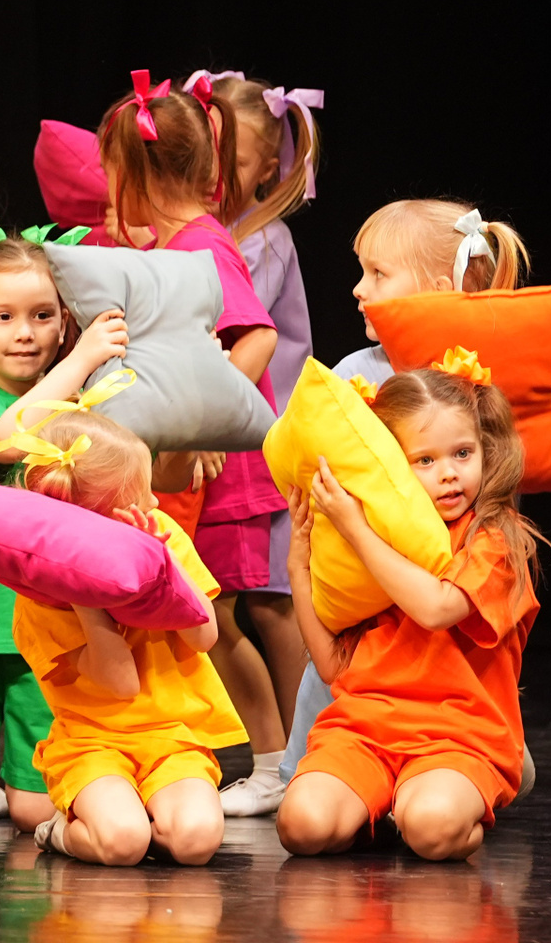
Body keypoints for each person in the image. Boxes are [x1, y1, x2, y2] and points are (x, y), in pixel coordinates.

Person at [281, 199, 551, 787]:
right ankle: (310, 768)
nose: (359, 289)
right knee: (344, 666)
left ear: (439, 290)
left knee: (461, 675)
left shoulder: (490, 374)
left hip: (460, 585)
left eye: (379, 274)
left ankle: (484, 753)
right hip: (376, 585)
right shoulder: (357, 376)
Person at [96, 70, 288, 808]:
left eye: (111, 172)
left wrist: (206, 416)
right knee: (202, 613)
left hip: (227, 472)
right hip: (200, 466)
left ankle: (271, 764)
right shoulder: (177, 242)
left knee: (222, 617)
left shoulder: (202, 244)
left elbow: (257, 336)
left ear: (135, 173)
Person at [277, 356, 547, 861]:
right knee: (302, 826)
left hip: (457, 735)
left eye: (462, 453)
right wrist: (298, 569)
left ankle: (444, 807)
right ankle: (385, 809)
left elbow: (437, 608)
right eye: (424, 460)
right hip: (367, 728)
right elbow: (333, 667)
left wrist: (355, 529)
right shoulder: (376, 541)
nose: (448, 474)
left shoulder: (493, 538)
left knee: (431, 828)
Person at [0, 225, 128, 832]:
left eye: (42, 315)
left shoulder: (85, 406)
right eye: (4, 316)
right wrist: (82, 359)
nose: (25, 332)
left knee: (37, 808)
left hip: (47, 633)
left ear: (63, 322)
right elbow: (8, 440)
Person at [12, 413, 244, 866]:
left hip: (172, 736)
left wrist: (160, 571)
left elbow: (204, 636)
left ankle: (141, 818)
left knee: (196, 841)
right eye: (141, 496)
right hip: (92, 743)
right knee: (123, 842)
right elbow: (122, 683)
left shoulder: (162, 532)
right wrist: (84, 590)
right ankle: (61, 832)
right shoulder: (39, 599)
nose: (155, 501)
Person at [201, 70, 323, 814]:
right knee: (246, 601)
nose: (219, 176)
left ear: (265, 169)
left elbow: (222, 327)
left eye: (236, 163)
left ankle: (300, 753)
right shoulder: (210, 236)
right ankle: (279, 755)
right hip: (234, 436)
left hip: (265, 444)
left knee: (277, 601)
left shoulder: (261, 241)